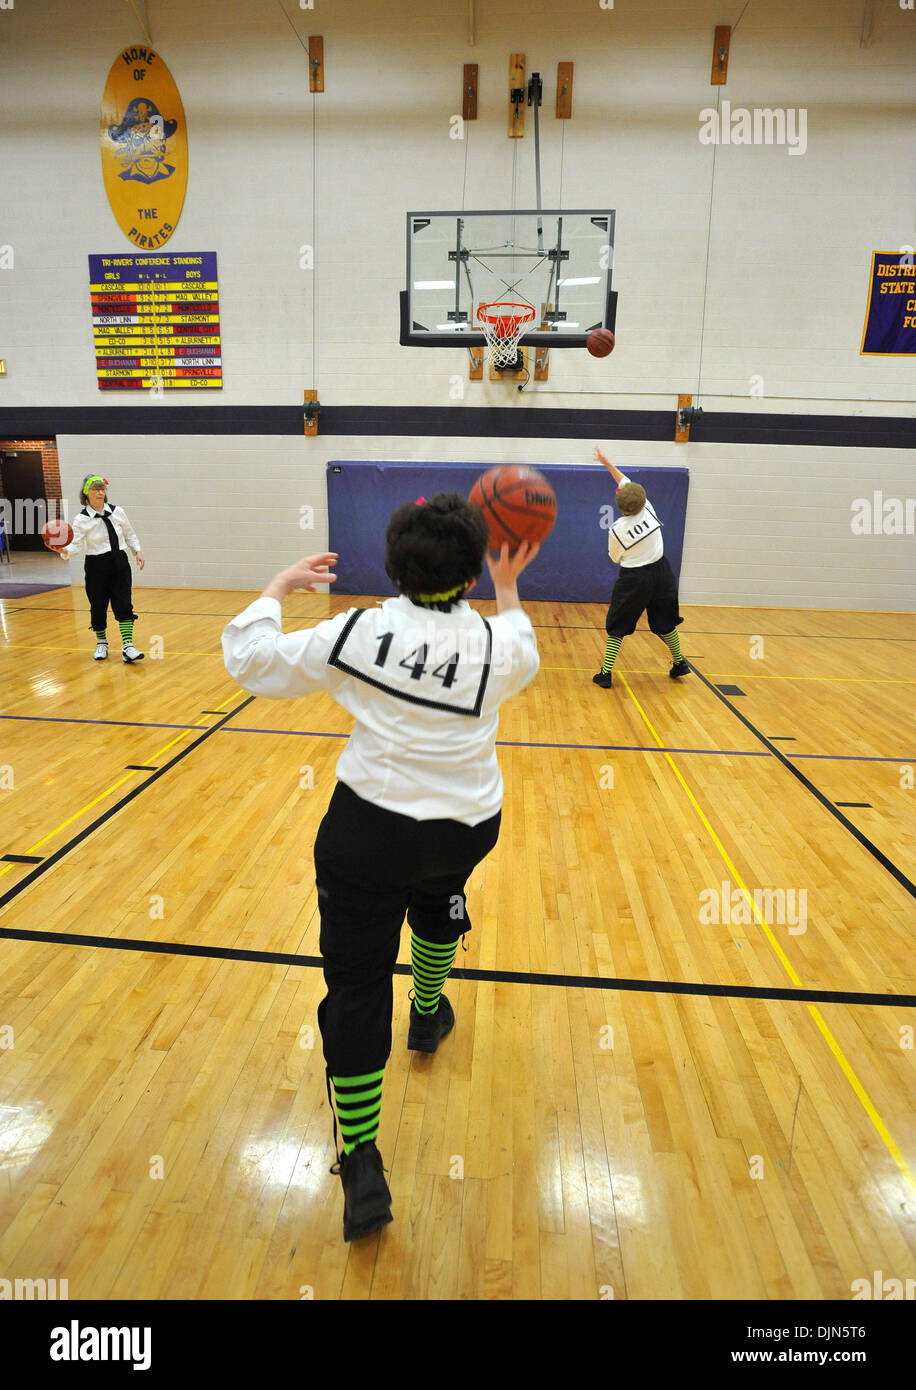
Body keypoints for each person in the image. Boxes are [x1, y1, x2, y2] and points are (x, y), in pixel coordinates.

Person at [221, 493, 540, 1242]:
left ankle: (362, 1158)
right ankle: (427, 1015)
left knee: (359, 984)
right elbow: (518, 627)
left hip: (369, 833)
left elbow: (251, 662)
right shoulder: (505, 649)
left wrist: (277, 587)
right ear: (470, 573)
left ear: (394, 566)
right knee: (438, 902)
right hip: (465, 828)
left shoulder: (358, 633)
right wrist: (510, 584)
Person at [592, 446, 689, 688]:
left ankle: (605, 674)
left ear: (621, 506)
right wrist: (607, 462)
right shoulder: (649, 507)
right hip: (662, 573)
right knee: (665, 621)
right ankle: (679, 662)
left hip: (634, 579)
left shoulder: (617, 529)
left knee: (618, 624)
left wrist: (604, 461)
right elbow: (624, 482)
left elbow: (615, 559)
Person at [48, 475, 145, 662]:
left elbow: (129, 534)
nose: (100, 492)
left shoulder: (118, 512)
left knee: (124, 604)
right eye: (95, 489)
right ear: (86, 493)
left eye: (102, 489)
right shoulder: (81, 519)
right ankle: (102, 643)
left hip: (119, 563)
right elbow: (75, 546)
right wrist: (63, 550)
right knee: (98, 606)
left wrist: (137, 551)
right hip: (96, 566)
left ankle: (128, 646)